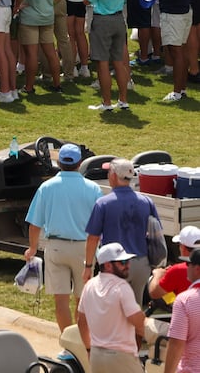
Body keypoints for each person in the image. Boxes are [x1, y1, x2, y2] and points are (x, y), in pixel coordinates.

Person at [25, 142, 102, 330]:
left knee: (61, 301)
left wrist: (33, 248)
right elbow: (101, 225)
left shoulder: (47, 187)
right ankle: (80, 343)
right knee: (82, 301)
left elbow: (35, 224)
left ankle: (67, 343)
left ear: (58, 163)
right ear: (80, 163)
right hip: (85, 250)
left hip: (56, 248)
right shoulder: (93, 189)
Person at [87, 159, 160, 301]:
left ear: (113, 176)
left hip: (115, 267)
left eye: (109, 172)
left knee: (111, 310)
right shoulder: (146, 201)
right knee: (135, 308)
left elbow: (93, 238)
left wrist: (88, 266)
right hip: (141, 265)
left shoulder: (103, 203)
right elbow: (156, 234)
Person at [79, 243, 146, 373]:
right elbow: (137, 322)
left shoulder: (89, 286)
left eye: (128, 261)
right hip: (122, 357)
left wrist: (88, 349)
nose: (128, 265)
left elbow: (81, 322)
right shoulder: (121, 287)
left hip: (97, 356)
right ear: (108, 265)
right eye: (123, 262)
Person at [163, 249, 200, 373]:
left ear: (198, 269)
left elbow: (176, 344)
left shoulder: (185, 300)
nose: (186, 267)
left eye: (188, 264)